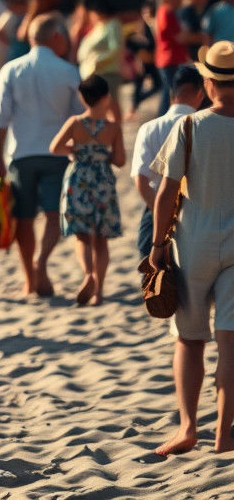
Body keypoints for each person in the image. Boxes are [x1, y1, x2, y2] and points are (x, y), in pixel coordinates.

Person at [148, 41, 234, 456]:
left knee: (189, 338)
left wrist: (157, 242)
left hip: (194, 240)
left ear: (207, 83)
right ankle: (223, 433)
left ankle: (188, 427)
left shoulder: (189, 127)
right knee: (231, 340)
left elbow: (166, 193)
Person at [0, 13, 83, 298]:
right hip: (58, 153)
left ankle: (29, 278)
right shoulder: (68, 71)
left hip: (20, 154)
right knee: (54, 216)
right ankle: (41, 262)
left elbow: (0, 120)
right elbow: (79, 117)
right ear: (56, 37)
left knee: (24, 217)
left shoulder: (11, 69)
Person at [51, 74, 125, 306]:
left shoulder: (75, 123)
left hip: (79, 180)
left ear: (82, 99)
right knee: (101, 239)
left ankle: (88, 275)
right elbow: (121, 160)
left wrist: (74, 149)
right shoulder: (113, 127)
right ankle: (99, 291)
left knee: (82, 236)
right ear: (106, 97)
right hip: (102, 180)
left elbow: (55, 148)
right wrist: (104, 154)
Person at [130, 64, 204, 260]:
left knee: (155, 281)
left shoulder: (149, 128)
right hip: (196, 213)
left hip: (155, 207)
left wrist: (161, 215)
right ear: (200, 94)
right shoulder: (202, 127)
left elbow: (141, 179)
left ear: (172, 95)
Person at [75, 0, 123, 123]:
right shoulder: (98, 26)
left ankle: (114, 136)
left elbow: (116, 49)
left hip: (107, 73)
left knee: (110, 107)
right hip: (94, 74)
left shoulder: (113, 24)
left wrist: (98, 60)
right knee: (99, 109)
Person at [155, 0, 189, 119]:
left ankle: (164, 119)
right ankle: (164, 119)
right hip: (170, 58)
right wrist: (192, 35)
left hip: (169, 58)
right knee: (171, 92)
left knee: (168, 91)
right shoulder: (167, 12)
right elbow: (179, 37)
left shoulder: (166, 12)